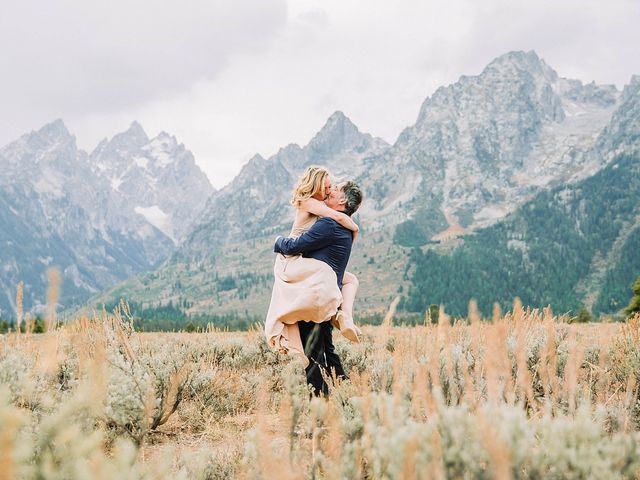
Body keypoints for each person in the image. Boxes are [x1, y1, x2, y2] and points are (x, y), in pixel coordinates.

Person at [264, 167, 361, 367]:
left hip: (297, 256)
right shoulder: (312, 204)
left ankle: (341, 317)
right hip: (291, 258)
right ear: (315, 185)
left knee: (338, 277)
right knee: (322, 278)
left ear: (342, 200)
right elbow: (340, 218)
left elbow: (335, 220)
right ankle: (340, 316)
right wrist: (355, 229)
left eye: (332, 188)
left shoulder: (326, 218)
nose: (329, 190)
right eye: (327, 187)